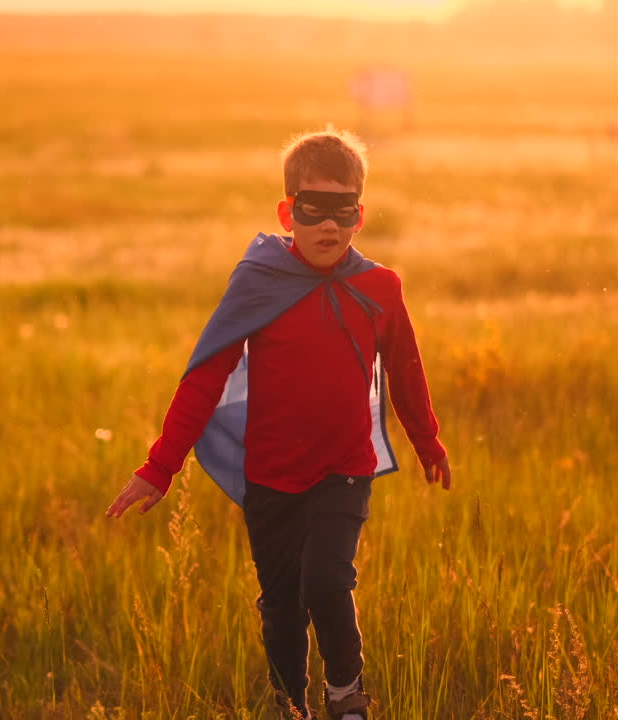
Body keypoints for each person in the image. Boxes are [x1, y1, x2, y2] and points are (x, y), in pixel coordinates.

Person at [106, 128, 452, 720]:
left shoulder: (379, 288)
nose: (328, 226)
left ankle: (346, 695)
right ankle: (289, 704)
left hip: (344, 471)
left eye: (342, 212)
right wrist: (158, 468)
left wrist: (427, 441)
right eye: (313, 209)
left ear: (360, 216)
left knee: (326, 581)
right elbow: (204, 378)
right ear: (287, 212)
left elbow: (406, 369)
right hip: (269, 478)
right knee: (282, 605)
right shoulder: (259, 280)